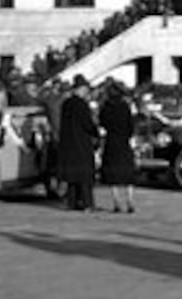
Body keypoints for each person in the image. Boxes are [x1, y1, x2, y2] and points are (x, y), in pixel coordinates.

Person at [56, 78, 99, 211]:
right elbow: (88, 124)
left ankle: (72, 203)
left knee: (72, 178)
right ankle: (87, 204)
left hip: (68, 144)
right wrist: (96, 132)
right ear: (81, 90)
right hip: (81, 144)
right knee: (85, 177)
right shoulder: (82, 105)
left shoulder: (66, 104)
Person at [97, 83, 136, 213]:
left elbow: (102, 122)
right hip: (124, 141)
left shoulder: (107, 107)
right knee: (128, 173)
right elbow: (131, 126)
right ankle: (130, 201)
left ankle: (117, 202)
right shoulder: (125, 106)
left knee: (112, 173)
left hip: (112, 141)